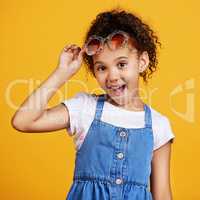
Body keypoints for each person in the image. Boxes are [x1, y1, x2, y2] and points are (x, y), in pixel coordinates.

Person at [11, 8, 175, 200]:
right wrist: (62, 72)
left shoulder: (158, 125)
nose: (112, 76)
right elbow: (23, 121)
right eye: (102, 68)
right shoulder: (84, 109)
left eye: (121, 64)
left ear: (142, 62)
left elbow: (162, 193)